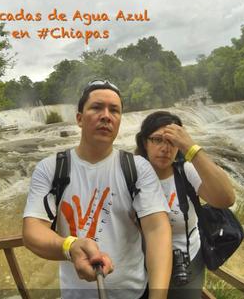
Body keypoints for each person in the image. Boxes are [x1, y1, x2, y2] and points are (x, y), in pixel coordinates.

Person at [23, 80, 173, 299]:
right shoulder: (51, 168)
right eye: (96, 107)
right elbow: (32, 231)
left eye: (114, 110)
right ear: (79, 119)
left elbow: (157, 231)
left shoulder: (137, 168)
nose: (106, 116)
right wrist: (70, 246)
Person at [135, 111, 236, 299]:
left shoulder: (185, 172)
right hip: (142, 262)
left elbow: (226, 198)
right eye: (157, 140)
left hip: (186, 261)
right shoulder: (131, 173)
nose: (165, 148)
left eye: (172, 142)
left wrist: (191, 148)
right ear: (144, 143)